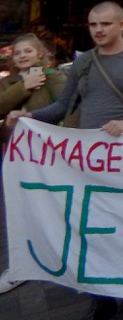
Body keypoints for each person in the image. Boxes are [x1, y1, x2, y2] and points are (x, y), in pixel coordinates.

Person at [8, 2, 123, 320]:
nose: (98, 30)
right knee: (92, 232)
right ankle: (101, 299)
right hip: (88, 164)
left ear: (122, 25)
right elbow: (63, 106)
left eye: (106, 24)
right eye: (93, 24)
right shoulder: (83, 62)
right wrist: (29, 117)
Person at [0, 34, 68, 294]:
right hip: (17, 158)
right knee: (20, 208)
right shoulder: (9, 83)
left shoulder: (55, 77)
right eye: (18, 53)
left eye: (28, 51)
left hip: (49, 158)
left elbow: (66, 108)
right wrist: (24, 86)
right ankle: (19, 265)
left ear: (40, 54)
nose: (22, 56)